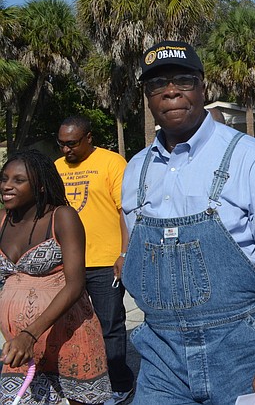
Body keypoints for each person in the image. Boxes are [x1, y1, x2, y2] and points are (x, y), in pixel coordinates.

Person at [121, 40, 255, 404]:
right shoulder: (136, 170)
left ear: (202, 87)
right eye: (157, 84)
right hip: (161, 356)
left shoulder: (246, 156)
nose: (171, 90)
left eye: (183, 80)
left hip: (239, 350)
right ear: (147, 97)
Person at [1, 149, 112, 404]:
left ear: (40, 186)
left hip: (69, 335)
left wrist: (31, 334)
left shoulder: (62, 217)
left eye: (18, 180)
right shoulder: (2, 221)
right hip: (17, 343)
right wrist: (23, 337)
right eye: (4, 178)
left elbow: (75, 285)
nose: (7, 186)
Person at [54, 115, 135, 404]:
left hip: (105, 261)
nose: (66, 150)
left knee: (109, 325)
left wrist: (124, 254)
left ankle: (119, 382)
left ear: (89, 138)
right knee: (72, 326)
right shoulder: (56, 168)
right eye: (62, 144)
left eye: (72, 143)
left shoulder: (112, 163)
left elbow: (126, 212)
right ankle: (80, 381)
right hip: (68, 263)